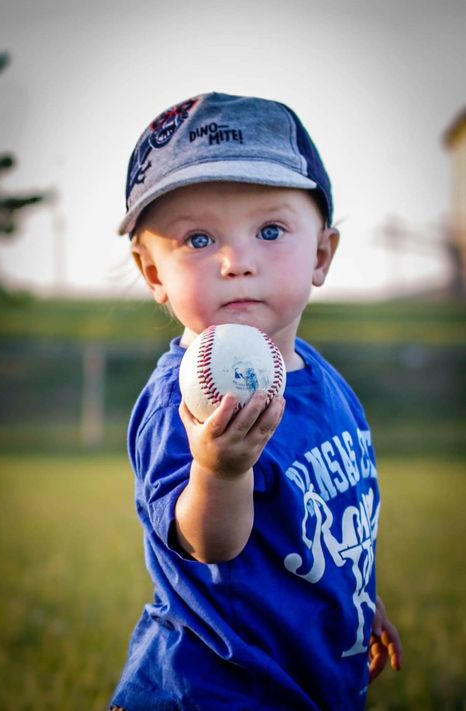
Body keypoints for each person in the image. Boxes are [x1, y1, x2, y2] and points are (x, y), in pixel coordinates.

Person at [109, 92, 402, 711]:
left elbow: (330, 519)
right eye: (196, 239)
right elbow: (207, 544)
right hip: (217, 691)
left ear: (321, 253)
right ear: (154, 274)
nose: (235, 261)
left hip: (315, 679)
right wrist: (220, 469)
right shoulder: (179, 404)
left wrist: (358, 605)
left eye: (270, 229)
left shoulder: (326, 381)